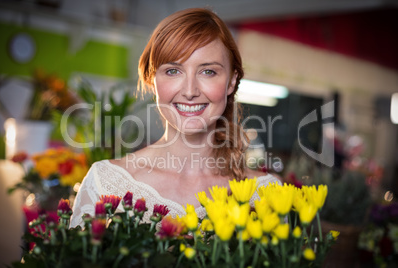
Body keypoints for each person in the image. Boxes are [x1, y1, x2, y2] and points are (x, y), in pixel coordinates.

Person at [70, 7, 279, 228]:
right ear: (152, 80)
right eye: (173, 71)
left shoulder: (267, 193)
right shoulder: (105, 183)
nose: (190, 91)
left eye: (208, 71)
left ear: (231, 82)